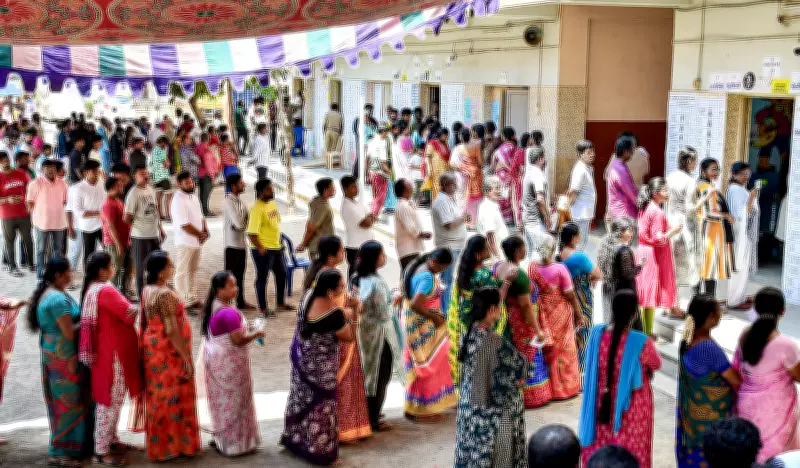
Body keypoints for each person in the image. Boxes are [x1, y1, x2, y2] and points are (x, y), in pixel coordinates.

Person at [578, 289, 661, 468]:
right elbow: (656, 364)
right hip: (632, 407)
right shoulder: (642, 342)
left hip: (601, 403)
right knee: (630, 447)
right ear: (634, 313)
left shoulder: (597, 335)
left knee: (604, 441)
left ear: (613, 309)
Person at [281, 269, 356, 465]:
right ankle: (319, 451)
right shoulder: (334, 313)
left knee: (299, 398)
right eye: (341, 286)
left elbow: (323, 320)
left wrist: (343, 314)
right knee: (322, 407)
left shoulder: (308, 296)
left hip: (302, 358)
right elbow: (348, 336)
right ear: (331, 291)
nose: (343, 289)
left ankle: (295, 439)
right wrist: (353, 314)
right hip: (321, 369)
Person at [134, 250, 201, 461]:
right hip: (167, 352)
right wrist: (186, 357)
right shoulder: (164, 295)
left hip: (153, 350)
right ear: (161, 272)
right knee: (173, 395)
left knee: (159, 396)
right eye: (170, 265)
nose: (173, 268)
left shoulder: (148, 289)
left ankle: (162, 446)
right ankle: (176, 446)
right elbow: (171, 329)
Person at [79, 252, 141, 466]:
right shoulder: (105, 290)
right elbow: (128, 312)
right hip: (112, 355)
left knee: (111, 401)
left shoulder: (93, 289)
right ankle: (101, 451)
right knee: (109, 402)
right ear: (103, 271)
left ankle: (111, 440)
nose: (114, 267)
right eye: (112, 265)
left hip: (106, 353)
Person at [454, 287, 528, 467]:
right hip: (490, 415)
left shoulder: (469, 333)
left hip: (469, 410)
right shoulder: (494, 340)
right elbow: (520, 367)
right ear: (492, 309)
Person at [29, 257, 91, 467]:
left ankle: (73, 447)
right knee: (68, 403)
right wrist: (88, 319)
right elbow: (68, 332)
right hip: (64, 358)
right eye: (69, 272)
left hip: (55, 354)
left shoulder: (53, 293)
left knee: (64, 402)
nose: (71, 275)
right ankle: (60, 452)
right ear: (58, 275)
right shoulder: (57, 300)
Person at [200, 271, 263, 456]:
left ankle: (223, 439)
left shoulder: (214, 306)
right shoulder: (228, 313)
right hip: (229, 365)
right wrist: (256, 333)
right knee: (235, 403)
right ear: (220, 291)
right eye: (231, 286)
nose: (236, 289)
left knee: (222, 402)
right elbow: (238, 340)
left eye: (236, 285)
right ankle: (236, 444)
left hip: (217, 363)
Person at [733, 287, 800, 462]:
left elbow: (738, 368)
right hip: (776, 415)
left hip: (746, 408)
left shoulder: (744, 335)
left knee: (749, 456)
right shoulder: (786, 345)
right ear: (783, 312)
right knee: (774, 461)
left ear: (755, 309)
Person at [676, 294, 739, 467]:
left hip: (693, 424)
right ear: (711, 317)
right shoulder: (707, 347)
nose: (721, 315)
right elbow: (735, 380)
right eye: (719, 312)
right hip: (709, 423)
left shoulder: (687, 339)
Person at [447, 234, 513, 386]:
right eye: (486, 248)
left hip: (466, 318)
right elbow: (497, 298)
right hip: (483, 318)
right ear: (478, 255)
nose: (489, 249)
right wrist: (507, 282)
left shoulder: (463, 273)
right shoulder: (483, 275)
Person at [353, 241, 404, 432]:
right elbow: (384, 313)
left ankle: (370, 411)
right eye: (382, 255)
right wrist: (396, 300)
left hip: (367, 332)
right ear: (375, 259)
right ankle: (373, 418)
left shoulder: (358, 277)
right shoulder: (375, 282)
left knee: (370, 374)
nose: (384, 257)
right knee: (379, 376)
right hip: (380, 335)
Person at [495, 236, 551, 408]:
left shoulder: (499, 266)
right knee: (528, 354)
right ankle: (530, 396)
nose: (527, 250)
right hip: (523, 321)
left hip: (509, 318)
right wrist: (538, 329)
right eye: (524, 247)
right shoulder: (519, 275)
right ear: (518, 251)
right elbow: (526, 306)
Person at [402, 248, 458, 420]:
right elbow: (416, 304)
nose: (441, 272)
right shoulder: (426, 276)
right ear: (434, 261)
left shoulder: (417, 267)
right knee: (428, 364)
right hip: (423, 325)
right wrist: (435, 317)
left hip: (417, 322)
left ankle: (414, 406)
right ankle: (423, 409)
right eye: (441, 268)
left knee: (422, 363)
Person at [529, 234, 583, 400]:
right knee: (565, 351)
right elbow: (571, 295)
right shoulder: (559, 269)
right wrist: (579, 314)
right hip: (560, 313)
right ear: (553, 250)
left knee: (548, 351)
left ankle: (551, 390)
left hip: (542, 315)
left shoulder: (532, 267)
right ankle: (566, 389)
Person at [636, 177, 683, 332]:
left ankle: (645, 331)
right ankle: (647, 333)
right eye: (665, 189)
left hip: (643, 251)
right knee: (649, 296)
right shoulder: (656, 211)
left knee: (645, 295)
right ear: (655, 193)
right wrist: (673, 231)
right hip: (653, 254)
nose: (668, 192)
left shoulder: (645, 207)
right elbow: (658, 238)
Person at [558, 222, 602, 371]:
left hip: (565, 298)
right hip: (581, 299)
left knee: (570, 332)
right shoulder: (579, 257)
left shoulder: (559, 253)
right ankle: (581, 370)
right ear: (574, 238)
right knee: (583, 332)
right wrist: (592, 277)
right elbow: (598, 273)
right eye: (579, 235)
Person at [247, 178, 293, 317]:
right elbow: (251, 233)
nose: (272, 190)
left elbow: (276, 224)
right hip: (263, 250)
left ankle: (280, 303)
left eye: (271, 187)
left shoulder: (272, 204)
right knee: (262, 278)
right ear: (260, 192)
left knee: (282, 274)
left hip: (276, 247)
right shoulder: (257, 209)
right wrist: (261, 248)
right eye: (268, 189)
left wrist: (279, 242)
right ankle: (263, 308)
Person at [170, 171, 208, 311]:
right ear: (179, 184)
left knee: (192, 270)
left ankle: (191, 298)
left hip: (196, 241)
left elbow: (201, 215)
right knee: (181, 272)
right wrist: (200, 234)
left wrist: (205, 230)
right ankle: (181, 302)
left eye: (191, 181)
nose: (190, 184)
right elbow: (184, 225)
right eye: (187, 183)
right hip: (184, 241)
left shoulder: (193, 196)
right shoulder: (177, 200)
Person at [124, 165, 164, 298]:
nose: (145, 175)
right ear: (134, 176)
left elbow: (156, 210)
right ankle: (142, 297)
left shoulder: (151, 189)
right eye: (141, 173)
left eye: (146, 172)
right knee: (141, 268)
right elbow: (126, 217)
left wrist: (161, 228)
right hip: (140, 236)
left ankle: (154, 292)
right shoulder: (133, 193)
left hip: (154, 234)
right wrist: (139, 225)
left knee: (157, 265)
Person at [697, 158, 735, 297]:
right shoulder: (707, 188)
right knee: (709, 269)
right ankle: (709, 303)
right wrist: (726, 215)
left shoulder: (699, 185)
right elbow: (709, 213)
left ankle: (698, 303)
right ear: (703, 171)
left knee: (702, 269)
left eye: (717, 169)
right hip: (709, 233)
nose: (716, 172)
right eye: (713, 169)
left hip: (703, 232)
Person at [432, 172, 469, 312]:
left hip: (455, 246)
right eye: (453, 183)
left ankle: (447, 309)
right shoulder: (441, 201)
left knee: (449, 279)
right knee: (446, 280)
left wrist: (463, 219)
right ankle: (444, 311)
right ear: (445, 185)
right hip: (448, 247)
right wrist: (463, 218)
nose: (456, 186)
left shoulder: (449, 199)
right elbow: (448, 224)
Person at [597, 218, 643, 326]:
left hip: (609, 289)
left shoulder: (608, 246)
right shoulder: (624, 251)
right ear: (620, 232)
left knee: (611, 323)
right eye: (629, 230)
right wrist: (640, 266)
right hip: (623, 292)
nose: (632, 234)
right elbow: (628, 274)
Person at [666, 146, 700, 294]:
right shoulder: (690, 180)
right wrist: (704, 199)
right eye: (694, 160)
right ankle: (695, 297)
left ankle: (672, 297)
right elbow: (689, 208)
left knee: (673, 261)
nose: (696, 163)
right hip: (686, 224)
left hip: (671, 221)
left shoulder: (670, 177)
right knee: (692, 262)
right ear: (688, 161)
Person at [27, 159, 68, 278]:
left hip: (59, 222)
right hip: (41, 224)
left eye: (53, 168)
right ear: (42, 169)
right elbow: (30, 203)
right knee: (41, 250)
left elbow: (65, 201)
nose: (51, 170)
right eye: (47, 168)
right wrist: (39, 214)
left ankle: (57, 273)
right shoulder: (35, 183)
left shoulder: (63, 183)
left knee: (58, 250)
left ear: (56, 169)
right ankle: (40, 274)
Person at [728, 162, 760, 309]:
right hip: (739, 234)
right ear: (735, 174)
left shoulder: (740, 189)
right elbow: (739, 215)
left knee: (743, 267)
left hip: (745, 233)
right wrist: (752, 198)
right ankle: (734, 300)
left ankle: (740, 296)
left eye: (748, 174)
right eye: (744, 174)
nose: (747, 177)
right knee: (739, 267)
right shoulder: (735, 190)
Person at [0, 150, 33, 277]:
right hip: (7, 216)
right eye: (2, 160)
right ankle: (12, 267)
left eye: (6, 159)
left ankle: (31, 263)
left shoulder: (21, 173)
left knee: (28, 240)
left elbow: (30, 189)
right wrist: (7, 200)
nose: (5, 162)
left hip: (24, 213)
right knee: (9, 242)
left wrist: (28, 202)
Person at [222, 174, 252, 309]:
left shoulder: (241, 202)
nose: (243, 184)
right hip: (231, 245)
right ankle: (226, 302)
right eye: (241, 183)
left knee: (240, 276)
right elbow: (240, 223)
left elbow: (247, 221)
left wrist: (242, 224)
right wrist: (243, 224)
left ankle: (240, 301)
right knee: (229, 278)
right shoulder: (228, 202)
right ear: (233, 186)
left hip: (241, 244)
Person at [101, 177, 132, 294]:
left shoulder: (118, 201)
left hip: (125, 241)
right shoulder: (108, 204)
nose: (122, 187)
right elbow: (111, 227)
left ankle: (124, 292)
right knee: (114, 271)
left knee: (127, 269)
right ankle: (111, 294)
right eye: (120, 185)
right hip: (114, 243)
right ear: (113, 187)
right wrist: (119, 245)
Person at [340, 175, 375, 280]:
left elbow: (371, 215)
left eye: (356, 187)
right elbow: (366, 223)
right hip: (355, 247)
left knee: (366, 274)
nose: (356, 190)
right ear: (345, 189)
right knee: (356, 275)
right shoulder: (348, 206)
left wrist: (369, 217)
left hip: (363, 245)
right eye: (353, 187)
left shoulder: (356, 203)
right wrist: (368, 218)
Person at [73, 160, 106, 268]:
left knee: (108, 250)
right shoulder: (78, 188)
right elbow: (78, 212)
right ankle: (88, 277)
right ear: (86, 172)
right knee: (89, 254)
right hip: (87, 227)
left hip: (102, 225)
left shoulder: (102, 184)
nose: (96, 172)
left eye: (97, 170)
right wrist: (99, 214)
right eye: (93, 170)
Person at [394, 178, 431, 272]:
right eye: (409, 185)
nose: (412, 187)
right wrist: (422, 234)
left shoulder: (405, 205)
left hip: (410, 249)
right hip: (408, 250)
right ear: (405, 189)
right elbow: (411, 228)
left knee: (409, 276)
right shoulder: (404, 206)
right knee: (409, 276)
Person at [567, 140, 597, 251]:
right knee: (579, 243)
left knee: (581, 242)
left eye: (593, 151)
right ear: (580, 154)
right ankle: (574, 266)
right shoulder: (580, 169)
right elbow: (573, 191)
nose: (592, 154)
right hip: (580, 214)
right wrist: (567, 209)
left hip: (584, 213)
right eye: (589, 152)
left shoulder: (587, 168)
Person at [297, 178, 335, 261]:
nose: (334, 189)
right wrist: (304, 244)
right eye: (332, 187)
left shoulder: (317, 200)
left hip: (321, 245)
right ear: (326, 190)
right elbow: (312, 227)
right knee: (321, 272)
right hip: (320, 247)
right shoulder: (322, 206)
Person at [522, 147, 550, 254]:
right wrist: (547, 217)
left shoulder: (528, 172)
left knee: (530, 253)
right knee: (541, 253)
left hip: (528, 218)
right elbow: (540, 199)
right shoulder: (538, 174)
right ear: (540, 159)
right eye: (544, 157)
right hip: (535, 220)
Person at [606, 135, 639, 221]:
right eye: (632, 150)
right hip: (624, 214)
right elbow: (631, 193)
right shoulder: (620, 170)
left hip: (617, 211)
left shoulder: (615, 164)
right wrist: (643, 206)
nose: (633, 153)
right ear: (626, 152)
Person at [490, 126, 518, 226]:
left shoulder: (499, 149)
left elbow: (493, 165)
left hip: (500, 177)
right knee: (509, 197)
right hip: (511, 176)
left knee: (500, 196)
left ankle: (501, 220)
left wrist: (499, 167)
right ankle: (509, 219)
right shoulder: (515, 148)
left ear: (503, 136)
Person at [477, 176, 509, 261]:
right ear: (487, 191)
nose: (499, 191)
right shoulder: (488, 208)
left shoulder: (491, 205)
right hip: (498, 255)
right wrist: (497, 257)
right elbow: (490, 235)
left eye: (499, 188)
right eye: (496, 188)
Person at [423, 128, 451, 201]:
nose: (446, 137)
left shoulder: (446, 144)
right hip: (436, 172)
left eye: (447, 135)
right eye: (445, 135)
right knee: (437, 189)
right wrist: (429, 169)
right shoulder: (432, 143)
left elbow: (448, 158)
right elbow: (427, 157)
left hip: (445, 171)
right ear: (440, 135)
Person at [150, 135, 172, 220]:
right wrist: (168, 163)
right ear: (162, 142)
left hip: (156, 176)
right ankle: (168, 215)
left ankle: (159, 215)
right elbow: (166, 164)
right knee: (168, 195)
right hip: (164, 176)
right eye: (166, 144)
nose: (166, 146)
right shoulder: (161, 151)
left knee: (158, 196)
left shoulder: (153, 150)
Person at [196, 133, 218, 216]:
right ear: (208, 139)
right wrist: (212, 175)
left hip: (200, 172)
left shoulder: (198, 147)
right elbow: (207, 163)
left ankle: (203, 209)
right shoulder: (206, 148)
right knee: (206, 192)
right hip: (206, 173)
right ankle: (205, 211)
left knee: (202, 193)